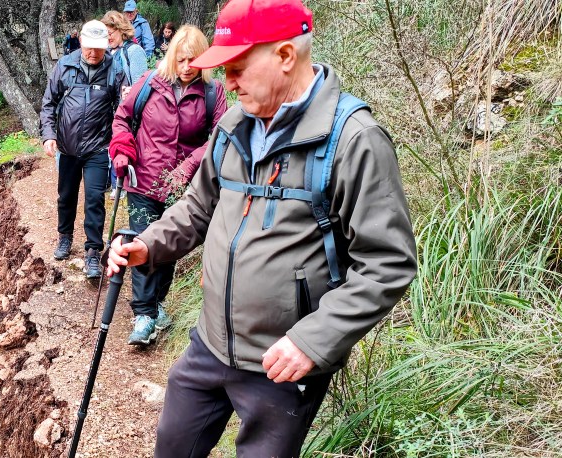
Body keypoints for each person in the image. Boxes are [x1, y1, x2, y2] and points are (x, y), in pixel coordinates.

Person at [106, 0, 417, 455]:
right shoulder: (234, 124)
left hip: (282, 366)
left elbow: (387, 263)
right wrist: (147, 245)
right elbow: (197, 207)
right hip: (208, 344)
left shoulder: (354, 140)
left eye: (238, 68)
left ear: (286, 56)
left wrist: (313, 341)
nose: (227, 84)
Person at [109, 25, 225, 345]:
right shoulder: (148, 83)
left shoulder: (213, 93)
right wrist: (122, 150)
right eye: (183, 59)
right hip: (143, 181)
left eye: (195, 60)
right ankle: (143, 314)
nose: (188, 66)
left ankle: (158, 304)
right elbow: (122, 118)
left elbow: (219, 138)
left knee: (169, 247)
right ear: (173, 56)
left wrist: (189, 166)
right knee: (144, 242)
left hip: (182, 187)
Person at [40, 20, 128, 279]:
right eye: (89, 48)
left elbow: (122, 110)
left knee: (94, 199)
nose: (93, 54)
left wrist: (120, 139)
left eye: (98, 49)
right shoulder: (64, 66)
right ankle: (64, 237)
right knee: (66, 196)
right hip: (67, 148)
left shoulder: (114, 70)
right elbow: (48, 104)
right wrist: (48, 135)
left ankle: (92, 251)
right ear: (81, 43)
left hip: (98, 148)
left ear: (105, 47)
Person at [102, 11, 148, 88]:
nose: (108, 38)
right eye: (105, 35)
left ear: (121, 30)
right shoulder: (107, 51)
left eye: (109, 34)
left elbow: (139, 88)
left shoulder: (135, 51)